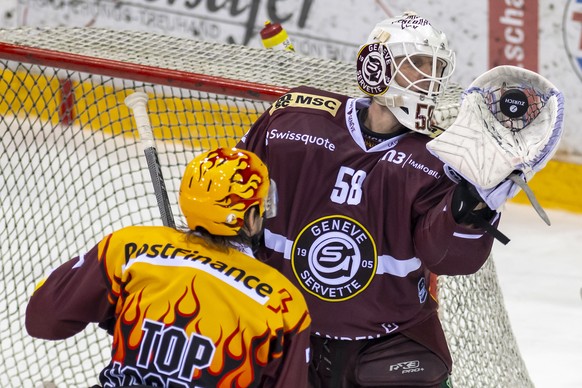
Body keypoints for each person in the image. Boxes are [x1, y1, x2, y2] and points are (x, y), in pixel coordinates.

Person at [237, 11, 503, 388]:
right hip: (285, 330)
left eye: (436, 69)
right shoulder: (292, 123)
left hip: (390, 343)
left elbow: (449, 258)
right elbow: (233, 198)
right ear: (377, 67)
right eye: (417, 65)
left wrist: (474, 207)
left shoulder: (440, 159)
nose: (429, 81)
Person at [25, 147, 312, 388]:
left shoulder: (131, 248)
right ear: (250, 218)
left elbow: (43, 320)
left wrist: (125, 315)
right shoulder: (283, 302)